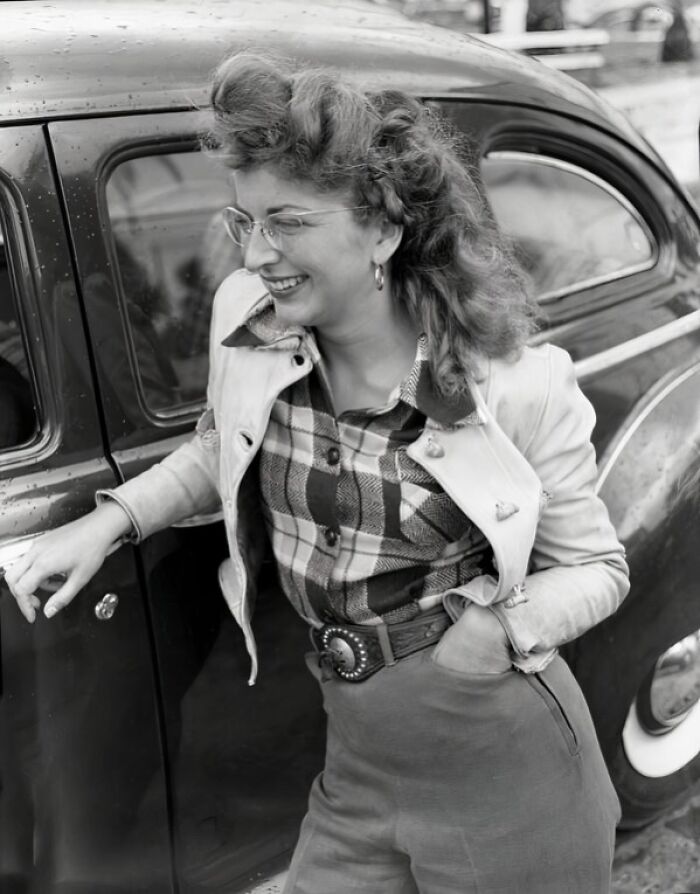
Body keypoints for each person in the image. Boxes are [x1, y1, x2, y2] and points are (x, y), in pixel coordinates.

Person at [5, 51, 629, 894]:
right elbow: (216, 447)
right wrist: (110, 519)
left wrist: (493, 637)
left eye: (288, 222)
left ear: (382, 228)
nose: (256, 254)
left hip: (503, 758)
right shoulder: (248, 326)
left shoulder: (513, 384)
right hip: (355, 756)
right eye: (243, 221)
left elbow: (596, 566)